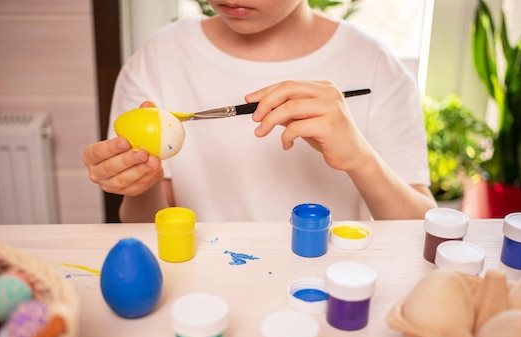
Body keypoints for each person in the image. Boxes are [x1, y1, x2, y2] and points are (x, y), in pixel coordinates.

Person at [83, 0, 437, 223]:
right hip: (203, 286)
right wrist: (141, 184)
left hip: (332, 288)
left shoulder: (375, 65)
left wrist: (360, 158)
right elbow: (150, 227)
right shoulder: (160, 57)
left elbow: (422, 227)